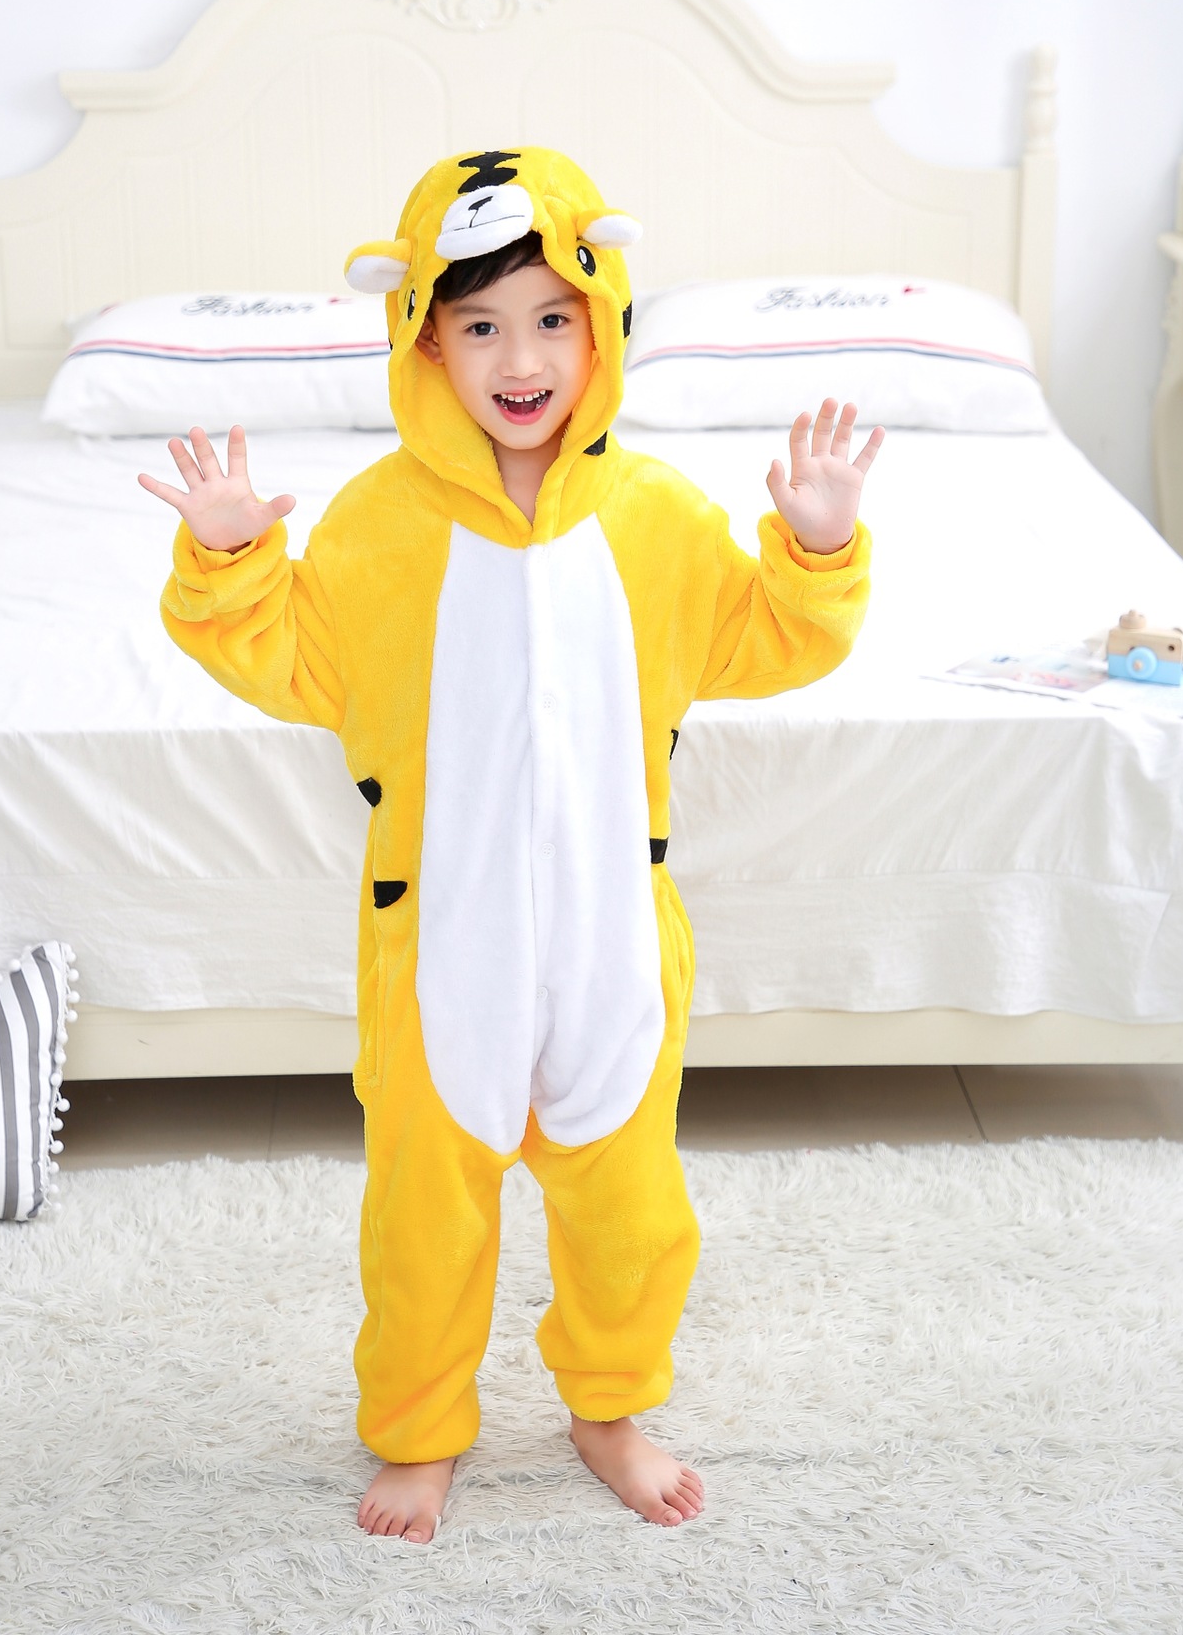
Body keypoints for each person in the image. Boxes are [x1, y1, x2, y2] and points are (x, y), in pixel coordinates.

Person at [140, 147, 882, 1545]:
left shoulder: (657, 518)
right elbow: (295, 660)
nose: (520, 357)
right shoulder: (381, 524)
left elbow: (765, 640)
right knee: (425, 1215)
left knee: (632, 1212)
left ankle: (609, 1409)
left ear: (602, 327)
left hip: (614, 936)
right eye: (478, 325)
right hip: (443, 946)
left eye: (551, 318)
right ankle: (420, 1430)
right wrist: (232, 562)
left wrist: (818, 547)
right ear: (424, 340)